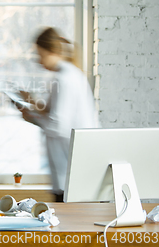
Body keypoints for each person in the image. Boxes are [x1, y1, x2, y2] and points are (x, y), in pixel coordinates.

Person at [20, 27, 99, 202]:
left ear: (53, 51)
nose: (39, 61)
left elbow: (58, 125)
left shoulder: (64, 79)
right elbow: (55, 112)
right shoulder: (70, 75)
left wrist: (30, 117)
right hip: (75, 169)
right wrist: (32, 103)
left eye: (41, 55)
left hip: (70, 172)